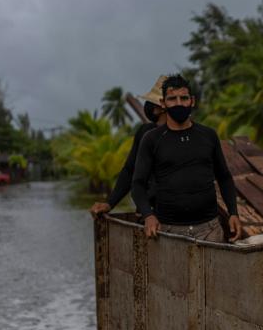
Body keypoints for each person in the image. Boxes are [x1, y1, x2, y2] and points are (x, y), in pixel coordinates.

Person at [131, 75, 242, 242]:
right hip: (168, 232)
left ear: (192, 101)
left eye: (183, 98)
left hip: (210, 230)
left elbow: (224, 177)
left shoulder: (208, 135)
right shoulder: (152, 139)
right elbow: (137, 184)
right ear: (163, 103)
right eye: (172, 99)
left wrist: (233, 213)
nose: (179, 103)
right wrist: (148, 215)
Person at [90, 81, 168, 217]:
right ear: (159, 107)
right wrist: (110, 203)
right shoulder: (146, 133)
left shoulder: (194, 134)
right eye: (172, 100)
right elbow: (130, 170)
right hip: (151, 212)